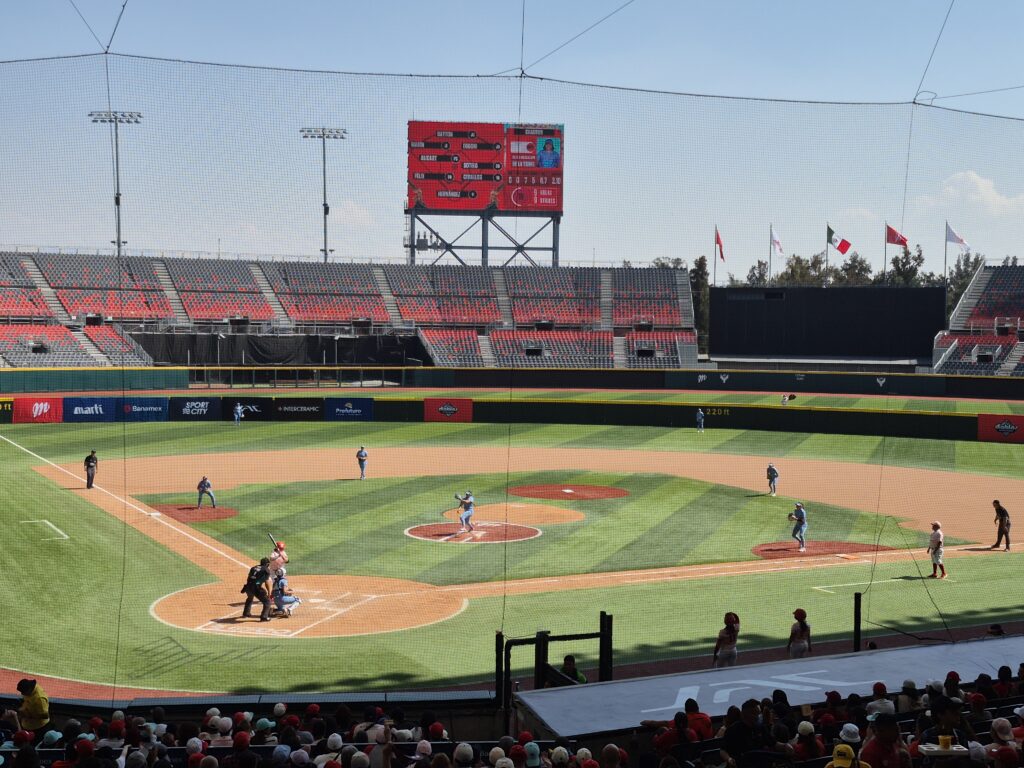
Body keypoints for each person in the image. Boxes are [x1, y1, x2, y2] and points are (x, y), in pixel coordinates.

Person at [720, 699, 793, 767]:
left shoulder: (760, 728)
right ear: (748, 714)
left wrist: (785, 746)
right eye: (757, 714)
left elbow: (773, 743)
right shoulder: (732, 730)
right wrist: (728, 759)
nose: (759, 716)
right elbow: (723, 750)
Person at [241, 557, 273, 622]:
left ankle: (246, 613)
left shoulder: (253, 568)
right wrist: (269, 593)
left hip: (248, 586)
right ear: (267, 564)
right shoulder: (266, 570)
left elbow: (249, 578)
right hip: (256, 587)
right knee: (267, 601)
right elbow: (267, 582)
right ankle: (264, 617)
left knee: (250, 598)